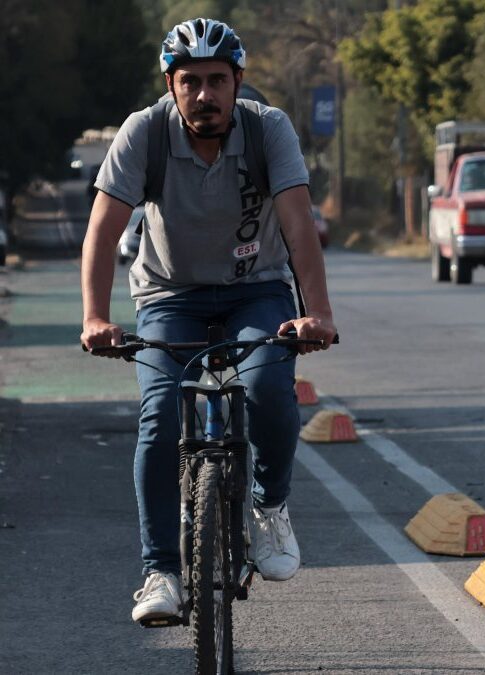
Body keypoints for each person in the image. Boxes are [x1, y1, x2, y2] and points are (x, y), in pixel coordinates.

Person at [79, 18, 337, 625]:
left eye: (217, 80)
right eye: (190, 81)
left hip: (257, 293)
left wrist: (317, 314)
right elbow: (104, 228)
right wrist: (95, 316)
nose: (204, 95)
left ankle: (268, 509)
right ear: (170, 85)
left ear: (238, 81)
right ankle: (160, 571)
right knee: (159, 410)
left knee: (271, 383)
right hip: (170, 295)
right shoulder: (143, 134)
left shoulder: (268, 128)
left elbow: (299, 227)